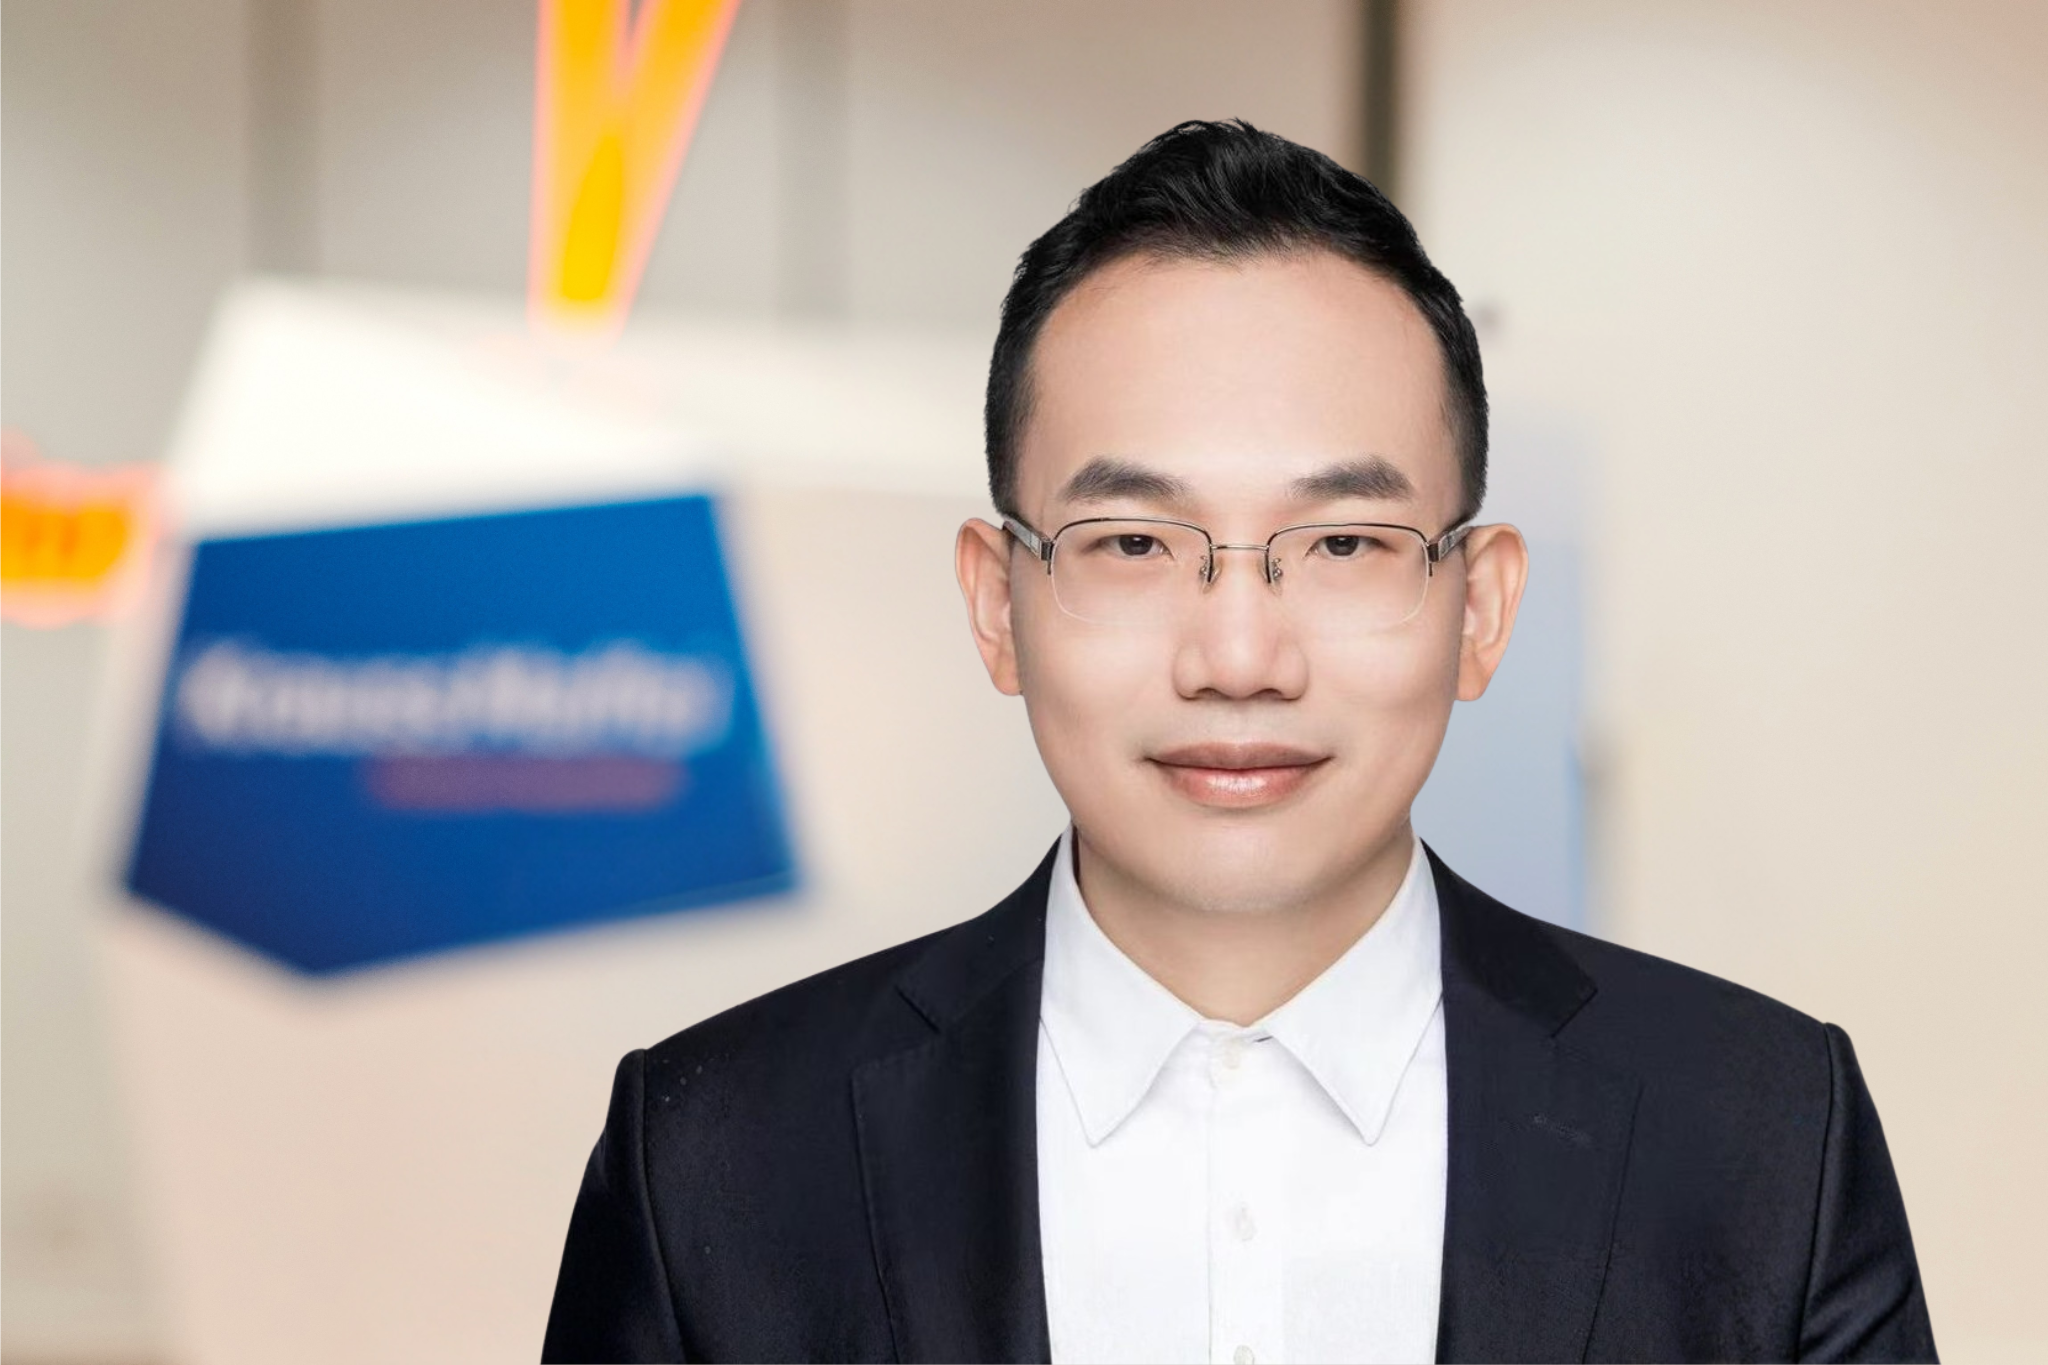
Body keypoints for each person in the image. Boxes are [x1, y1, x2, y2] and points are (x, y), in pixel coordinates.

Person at [541, 120, 1934, 1364]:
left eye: (1343, 543)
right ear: (997, 603)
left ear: (1481, 608)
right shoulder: (714, 1158)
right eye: (1135, 543)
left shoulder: (1761, 1138)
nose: (1239, 658)